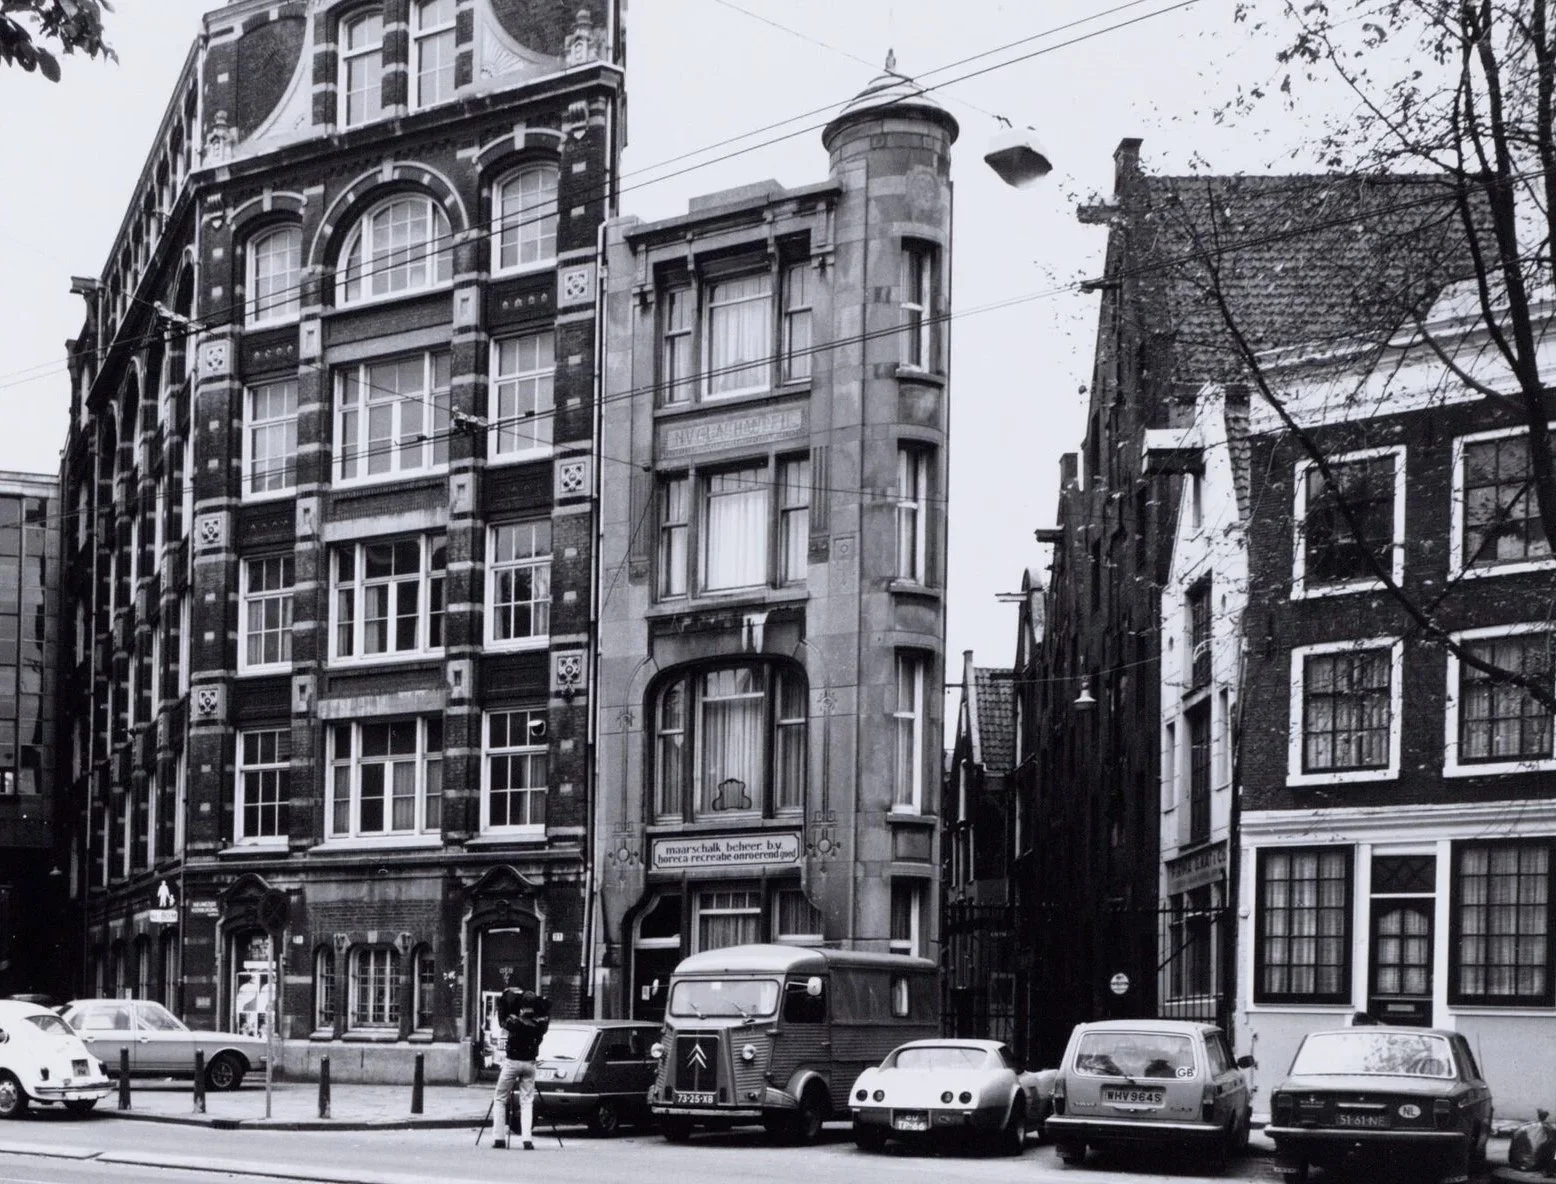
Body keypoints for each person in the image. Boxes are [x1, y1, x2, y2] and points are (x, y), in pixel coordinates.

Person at [491, 986, 549, 1150]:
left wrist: (505, 1002)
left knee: (500, 1098)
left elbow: (503, 1021)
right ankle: (527, 1139)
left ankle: (499, 1138)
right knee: (527, 1101)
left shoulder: (515, 1022)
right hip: (530, 1063)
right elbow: (545, 1018)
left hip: (512, 1062)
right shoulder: (539, 1025)